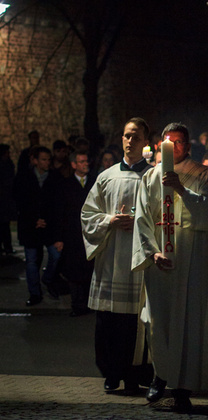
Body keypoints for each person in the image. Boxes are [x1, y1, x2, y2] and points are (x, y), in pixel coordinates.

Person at [132, 122, 208, 412]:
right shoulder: (150, 177)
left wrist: (181, 189)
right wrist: (152, 252)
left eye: (179, 141)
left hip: (192, 261)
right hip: (161, 263)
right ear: (160, 145)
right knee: (158, 322)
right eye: (168, 141)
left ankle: (183, 386)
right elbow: (142, 220)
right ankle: (161, 375)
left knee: (189, 322)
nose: (174, 146)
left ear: (188, 145)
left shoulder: (204, 175)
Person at [81, 117, 153, 394]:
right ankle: (111, 374)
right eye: (126, 135)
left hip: (140, 262)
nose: (129, 140)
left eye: (135, 136)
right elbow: (87, 214)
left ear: (146, 142)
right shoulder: (106, 176)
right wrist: (109, 221)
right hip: (111, 260)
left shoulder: (153, 177)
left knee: (136, 324)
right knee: (110, 322)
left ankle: (136, 376)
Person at [14, 146, 63, 306]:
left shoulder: (54, 177)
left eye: (48, 159)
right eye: (43, 159)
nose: (47, 162)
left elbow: (56, 204)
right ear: (34, 161)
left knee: (55, 256)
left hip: (48, 226)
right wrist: (34, 219)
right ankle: (35, 293)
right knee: (31, 261)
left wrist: (46, 220)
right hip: (30, 227)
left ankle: (47, 279)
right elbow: (21, 202)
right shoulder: (24, 177)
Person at [61, 151, 96, 317]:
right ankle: (77, 304)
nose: (85, 164)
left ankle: (88, 302)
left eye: (86, 161)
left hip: (89, 232)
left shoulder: (94, 182)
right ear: (74, 164)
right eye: (81, 162)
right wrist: (59, 238)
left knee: (88, 268)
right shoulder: (66, 185)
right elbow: (60, 212)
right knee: (74, 270)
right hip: (73, 235)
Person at [0, 144, 16, 254]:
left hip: (5, 200)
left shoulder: (8, 164)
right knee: (4, 225)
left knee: (5, 225)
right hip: (3, 199)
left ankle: (7, 247)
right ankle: (6, 247)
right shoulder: (5, 165)